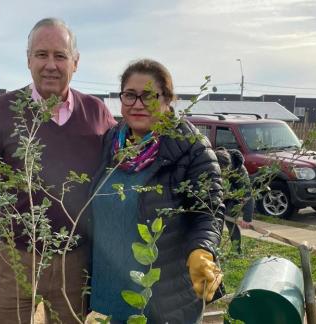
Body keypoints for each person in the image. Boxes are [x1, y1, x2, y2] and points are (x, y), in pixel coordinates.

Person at [0, 18, 116, 323]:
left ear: (75, 63)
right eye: (41, 54)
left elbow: (129, 165)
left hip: (74, 261)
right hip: (15, 257)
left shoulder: (97, 114)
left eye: (60, 55)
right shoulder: (1, 111)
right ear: (28, 60)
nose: (50, 64)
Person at [89, 59, 224, 323]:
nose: (138, 104)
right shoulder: (111, 142)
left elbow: (208, 212)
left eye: (149, 95)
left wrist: (202, 250)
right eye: (130, 95)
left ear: (167, 99)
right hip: (109, 291)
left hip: (162, 299)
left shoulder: (191, 147)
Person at [214, 147, 254, 254]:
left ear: (229, 166)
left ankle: (236, 251)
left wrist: (247, 218)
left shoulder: (240, 171)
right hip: (221, 194)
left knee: (229, 217)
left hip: (236, 197)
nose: (222, 173)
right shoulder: (215, 161)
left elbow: (248, 195)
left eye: (224, 171)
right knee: (217, 220)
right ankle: (214, 249)